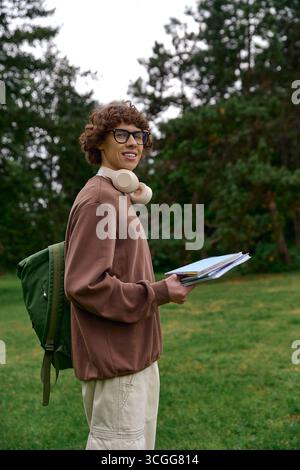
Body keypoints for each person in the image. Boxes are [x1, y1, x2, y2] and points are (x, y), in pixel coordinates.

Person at [64, 100, 195, 450]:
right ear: (99, 143)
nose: (134, 142)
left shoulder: (118, 197)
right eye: (121, 134)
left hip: (136, 356)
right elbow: (85, 285)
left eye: (139, 135)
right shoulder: (98, 200)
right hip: (117, 361)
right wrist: (158, 293)